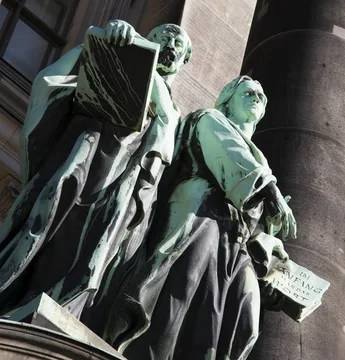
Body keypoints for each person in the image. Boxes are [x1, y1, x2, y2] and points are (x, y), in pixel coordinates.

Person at [0, 20, 192, 321]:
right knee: (48, 223)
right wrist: (111, 38)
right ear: (148, 39)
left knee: (97, 251)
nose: (170, 46)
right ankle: (15, 300)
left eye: (178, 45)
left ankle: (60, 311)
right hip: (87, 154)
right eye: (163, 38)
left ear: (184, 61)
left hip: (128, 182)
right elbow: (53, 80)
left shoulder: (178, 115)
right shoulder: (128, 57)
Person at [104, 76, 297, 360]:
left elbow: (255, 219)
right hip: (199, 214)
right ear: (227, 101)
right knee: (180, 291)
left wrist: (272, 262)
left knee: (246, 314)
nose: (257, 97)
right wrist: (270, 190)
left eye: (261, 95)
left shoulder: (260, 159)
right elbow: (229, 156)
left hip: (236, 240)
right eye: (249, 92)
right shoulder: (208, 119)